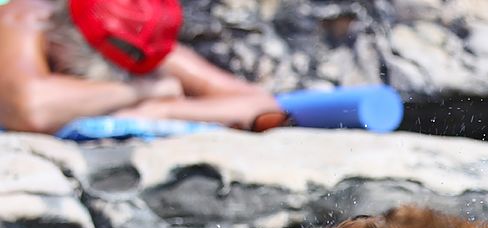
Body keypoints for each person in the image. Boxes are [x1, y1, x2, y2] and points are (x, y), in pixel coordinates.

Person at [0, 0, 282, 134]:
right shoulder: (25, 20)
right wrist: (139, 90)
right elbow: (29, 111)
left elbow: (260, 105)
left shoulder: (138, 37)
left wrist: (163, 110)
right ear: (68, 37)